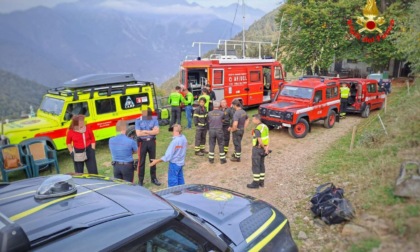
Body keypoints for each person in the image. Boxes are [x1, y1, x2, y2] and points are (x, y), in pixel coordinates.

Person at [135, 107, 161, 186]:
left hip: (152, 142)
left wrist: (145, 131)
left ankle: (154, 178)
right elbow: (138, 134)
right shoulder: (138, 120)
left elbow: (157, 131)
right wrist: (151, 131)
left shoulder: (154, 119)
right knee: (141, 162)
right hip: (142, 143)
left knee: (153, 160)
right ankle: (140, 180)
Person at [247, 114, 270, 189]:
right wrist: (266, 148)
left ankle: (255, 183)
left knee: (255, 165)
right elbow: (267, 138)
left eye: (253, 119)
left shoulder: (258, 128)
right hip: (263, 149)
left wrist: (262, 146)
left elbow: (259, 139)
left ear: (257, 119)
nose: (252, 121)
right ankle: (261, 182)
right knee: (261, 165)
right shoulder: (265, 127)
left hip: (257, 149)